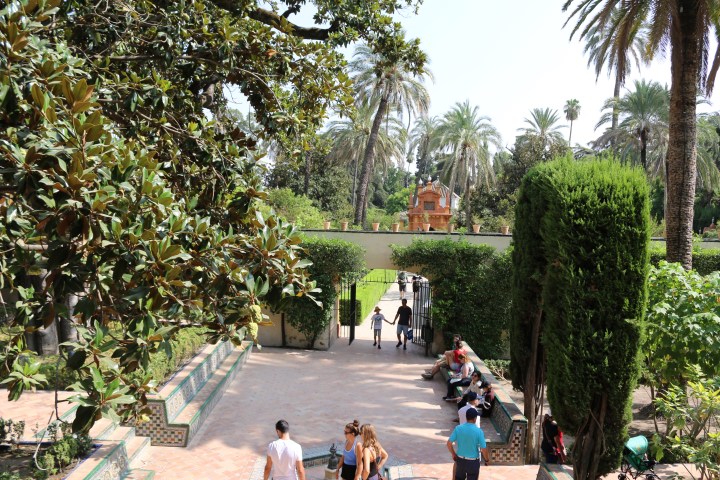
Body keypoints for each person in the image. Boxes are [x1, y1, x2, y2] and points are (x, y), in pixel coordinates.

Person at [447, 408, 490, 480]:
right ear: (475, 419)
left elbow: (449, 443)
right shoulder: (479, 431)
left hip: (460, 460)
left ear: (466, 417)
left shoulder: (458, 428)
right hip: (473, 462)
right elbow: (484, 449)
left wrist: (453, 454)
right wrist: (487, 460)